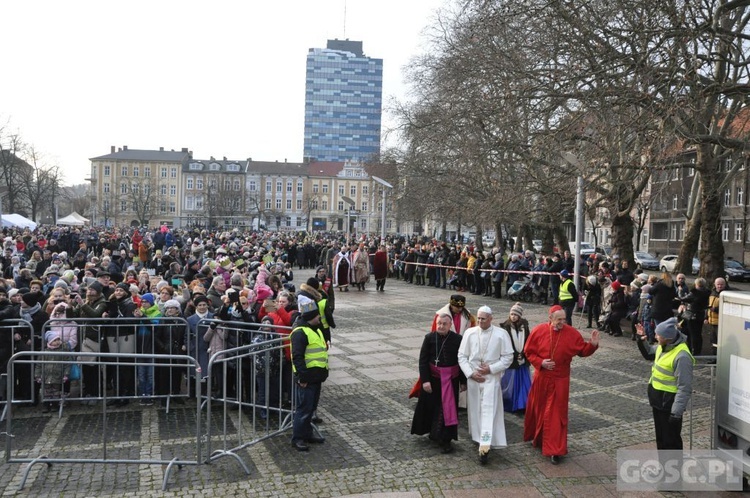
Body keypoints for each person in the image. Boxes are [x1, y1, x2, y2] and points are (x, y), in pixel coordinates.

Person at [523, 305, 600, 464]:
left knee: (556, 415)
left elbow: (582, 350)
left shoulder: (571, 333)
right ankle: (539, 439)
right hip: (542, 378)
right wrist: (540, 362)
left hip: (560, 380)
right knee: (540, 409)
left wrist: (592, 345)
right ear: (550, 318)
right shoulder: (539, 330)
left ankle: (555, 450)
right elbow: (528, 351)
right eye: (559, 319)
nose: (562, 323)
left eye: (564, 319)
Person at [458, 305, 513, 464]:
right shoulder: (469, 333)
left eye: (483, 319)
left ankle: (485, 445)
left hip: (491, 379)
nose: (480, 321)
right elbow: (462, 356)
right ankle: (478, 437)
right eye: (479, 318)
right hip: (474, 378)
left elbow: (508, 357)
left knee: (489, 410)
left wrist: (491, 368)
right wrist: (470, 373)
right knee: (475, 410)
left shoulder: (501, 334)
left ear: (491, 319)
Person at [635, 317, 694, 450]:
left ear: (667, 338)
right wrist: (641, 340)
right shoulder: (664, 346)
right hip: (658, 401)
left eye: (658, 335)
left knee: (671, 443)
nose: (655, 337)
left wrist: (676, 413)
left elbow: (685, 387)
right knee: (661, 441)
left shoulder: (682, 356)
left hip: (669, 406)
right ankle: (664, 469)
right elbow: (649, 353)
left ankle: (673, 470)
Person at [410, 312, 465, 454]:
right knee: (431, 408)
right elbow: (423, 361)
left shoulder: (458, 339)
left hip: (450, 381)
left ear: (450, 325)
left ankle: (445, 439)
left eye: (444, 324)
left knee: (446, 410)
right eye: (439, 323)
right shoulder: (429, 338)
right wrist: (425, 380)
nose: (441, 326)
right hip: (433, 381)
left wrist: (463, 381)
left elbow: (462, 361)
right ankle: (433, 432)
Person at [290, 300, 329, 452]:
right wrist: (302, 377)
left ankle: (307, 434)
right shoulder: (300, 332)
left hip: (316, 377)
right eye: (317, 315)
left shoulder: (315, 328)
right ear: (311, 316)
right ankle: (298, 438)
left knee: (311, 408)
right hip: (307, 378)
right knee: (303, 409)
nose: (320, 317)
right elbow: (297, 357)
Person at [499, 303, 532, 413]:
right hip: (512, 361)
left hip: (522, 360)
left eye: (515, 314)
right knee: (510, 384)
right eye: (511, 314)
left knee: (523, 384)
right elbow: (503, 344)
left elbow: (528, 341)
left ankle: (522, 404)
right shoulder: (505, 327)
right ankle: (511, 403)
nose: (513, 316)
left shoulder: (524, 327)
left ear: (519, 316)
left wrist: (523, 353)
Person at [678, 277, 710, 355]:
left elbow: (682, 298)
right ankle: (698, 350)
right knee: (698, 333)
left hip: (692, 315)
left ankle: (693, 350)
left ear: (696, 284)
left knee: (691, 333)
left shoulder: (694, 293)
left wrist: (680, 291)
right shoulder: (707, 292)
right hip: (700, 315)